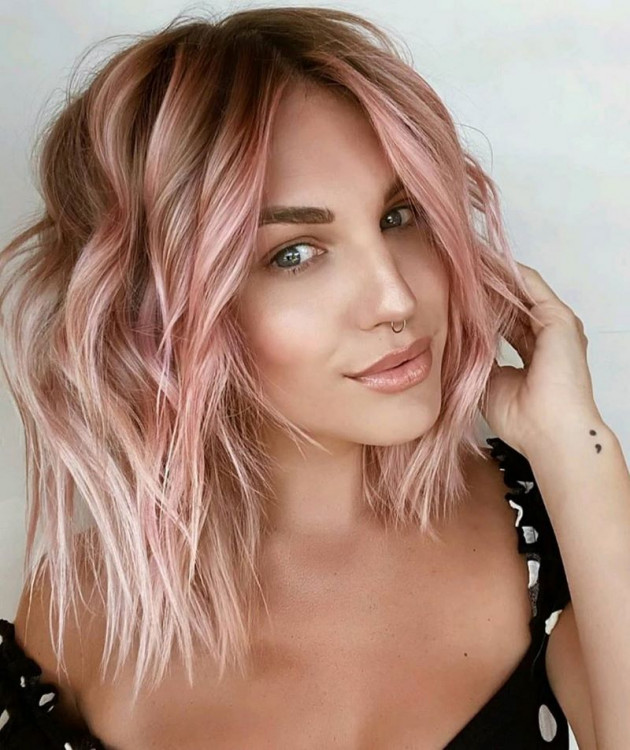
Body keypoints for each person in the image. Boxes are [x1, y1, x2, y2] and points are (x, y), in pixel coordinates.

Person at [0, 6, 596, 749]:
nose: (396, 300)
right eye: (294, 254)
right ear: (155, 313)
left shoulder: (545, 524)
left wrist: (578, 449)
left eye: (400, 216)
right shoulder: (81, 616)